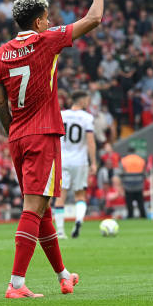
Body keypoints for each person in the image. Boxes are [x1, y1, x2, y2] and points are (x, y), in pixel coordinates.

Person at [0, 0, 113, 298]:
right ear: (38, 22)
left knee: (42, 207)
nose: (49, 23)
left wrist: (12, 131)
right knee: (34, 206)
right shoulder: (46, 40)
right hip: (42, 133)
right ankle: (16, 284)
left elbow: (0, 102)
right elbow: (94, 18)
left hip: (17, 136)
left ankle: (63, 276)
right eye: (46, 19)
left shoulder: (2, 54)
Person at [55, 90, 97, 239]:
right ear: (82, 100)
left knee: (61, 195)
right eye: (87, 99)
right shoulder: (87, 117)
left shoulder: (61, 114)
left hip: (63, 159)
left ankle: (60, 231)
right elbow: (90, 141)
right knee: (80, 195)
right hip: (80, 161)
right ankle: (78, 221)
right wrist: (94, 162)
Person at [118, 146, 147, 219]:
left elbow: (121, 172)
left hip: (128, 185)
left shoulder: (124, 160)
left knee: (129, 202)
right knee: (140, 201)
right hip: (139, 184)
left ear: (128, 152)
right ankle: (143, 215)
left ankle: (130, 215)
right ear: (134, 152)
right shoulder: (141, 160)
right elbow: (144, 173)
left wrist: (122, 183)